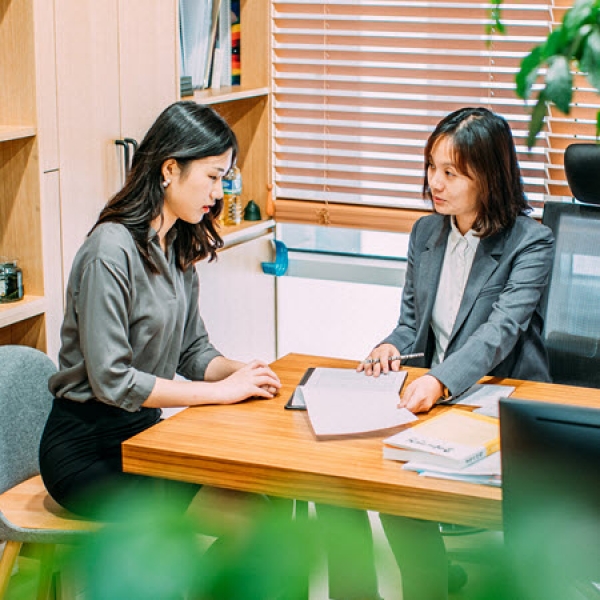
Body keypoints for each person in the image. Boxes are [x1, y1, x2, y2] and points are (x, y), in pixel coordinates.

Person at [321, 107, 555, 600]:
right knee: (336, 477)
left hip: (497, 401)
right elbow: (412, 324)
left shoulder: (530, 242)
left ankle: (428, 587)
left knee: (400, 495)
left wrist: (438, 381)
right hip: (434, 398)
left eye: (451, 172)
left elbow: (499, 333)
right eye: (431, 167)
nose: (435, 183)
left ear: (488, 177)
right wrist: (390, 347)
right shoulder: (426, 234)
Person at [39, 101, 282, 531]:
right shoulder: (108, 251)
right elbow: (112, 381)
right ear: (169, 169)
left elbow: (193, 352)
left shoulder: (176, 244)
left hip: (146, 437)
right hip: (88, 454)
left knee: (266, 502)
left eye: (223, 180)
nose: (218, 193)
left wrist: (245, 373)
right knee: (250, 518)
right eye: (211, 177)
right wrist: (222, 392)